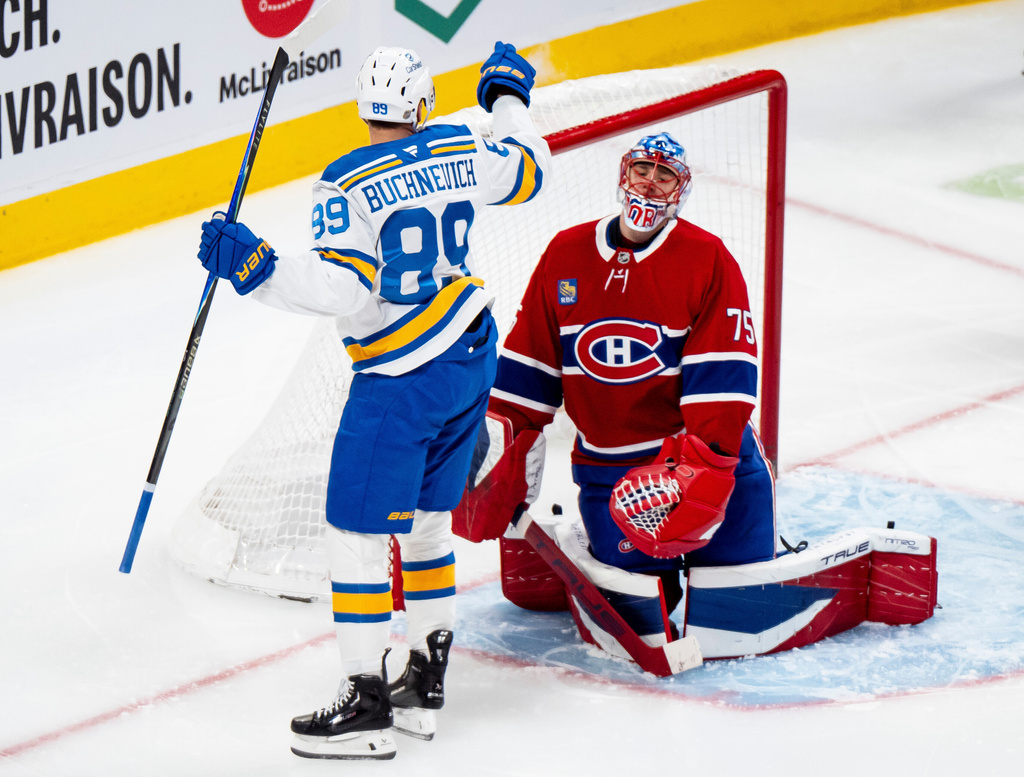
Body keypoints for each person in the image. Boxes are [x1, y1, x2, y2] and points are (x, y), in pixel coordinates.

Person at [458, 131, 936, 667]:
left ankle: (799, 557)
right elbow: (529, 371)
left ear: (680, 191)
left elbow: (723, 383)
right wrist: (498, 449)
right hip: (609, 476)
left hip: (705, 469)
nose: (650, 182)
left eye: (665, 176)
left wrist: (702, 474)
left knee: (732, 611)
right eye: (642, 169)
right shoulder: (566, 254)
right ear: (623, 174)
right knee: (642, 610)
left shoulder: (706, 259)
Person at [196, 43, 550, 759]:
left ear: (366, 110)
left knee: (352, 532)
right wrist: (507, 95)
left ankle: (364, 701)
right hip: (471, 359)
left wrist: (254, 266)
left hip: (403, 376)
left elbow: (345, 287)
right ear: (420, 106)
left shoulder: (347, 181)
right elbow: (530, 169)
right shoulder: (462, 141)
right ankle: (423, 680)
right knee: (424, 522)